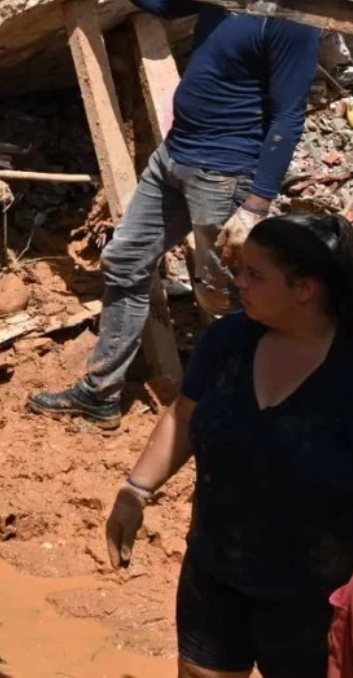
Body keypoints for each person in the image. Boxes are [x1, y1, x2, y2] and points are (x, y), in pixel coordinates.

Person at [30, 0, 319, 428]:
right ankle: (101, 392)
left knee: (229, 298)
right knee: (124, 260)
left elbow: (288, 115)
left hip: (224, 175)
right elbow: (163, 4)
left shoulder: (288, 14)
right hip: (175, 157)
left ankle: (246, 415)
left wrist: (256, 204)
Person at [104, 213, 353, 678]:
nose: (237, 281)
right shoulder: (229, 340)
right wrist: (136, 491)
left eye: (254, 274)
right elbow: (183, 414)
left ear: (306, 289)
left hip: (314, 599)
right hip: (214, 572)